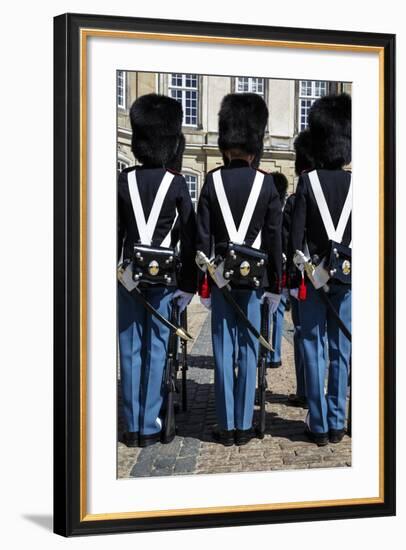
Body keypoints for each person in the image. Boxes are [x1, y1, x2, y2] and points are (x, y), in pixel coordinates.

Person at [196, 93, 282, 446]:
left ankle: (226, 423)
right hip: (255, 283)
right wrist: (277, 285)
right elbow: (276, 242)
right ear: (255, 142)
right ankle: (244, 424)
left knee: (222, 351)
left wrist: (205, 284)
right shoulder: (267, 184)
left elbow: (201, 239)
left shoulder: (211, 181)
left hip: (219, 281)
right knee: (248, 350)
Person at [117, 93, 197, 448]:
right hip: (164, 280)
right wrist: (189, 284)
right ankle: (150, 423)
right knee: (155, 349)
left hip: (129, 278)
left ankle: (132, 424)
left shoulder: (124, 179)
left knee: (130, 349)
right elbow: (191, 236)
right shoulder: (177, 183)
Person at [290, 93, 352, 446]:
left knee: (312, 347)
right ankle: (336, 421)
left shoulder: (307, 181)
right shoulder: (358, 183)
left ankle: (317, 421)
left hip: (313, 279)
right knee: (339, 349)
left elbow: (296, 237)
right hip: (347, 278)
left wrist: (309, 268)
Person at [285, 129, 314, 408]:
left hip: (305, 277)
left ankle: (306, 390)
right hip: (341, 275)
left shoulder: (296, 199)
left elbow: (289, 241)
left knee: (304, 334)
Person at [267, 172, 288, 369]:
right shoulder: (283, 211)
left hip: (265, 266)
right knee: (278, 312)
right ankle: (275, 354)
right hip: (281, 267)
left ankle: (262, 350)